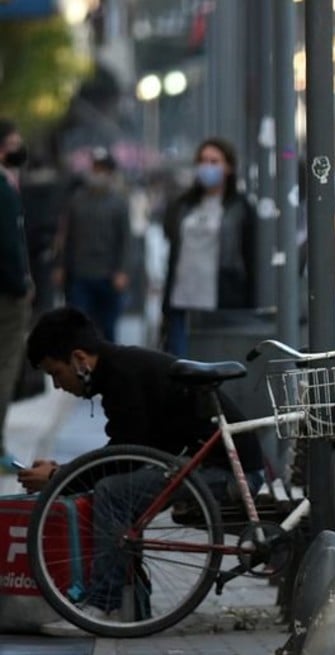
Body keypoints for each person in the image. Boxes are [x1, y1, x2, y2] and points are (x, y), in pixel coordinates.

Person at [19, 307, 264, 635]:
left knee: (113, 492)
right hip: (204, 465)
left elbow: (123, 459)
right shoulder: (121, 369)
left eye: (56, 373)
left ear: (79, 359)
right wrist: (63, 473)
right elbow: (126, 454)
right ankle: (132, 603)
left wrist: (57, 477)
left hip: (228, 474)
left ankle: (106, 605)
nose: (57, 385)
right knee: (120, 490)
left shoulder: (123, 375)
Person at [161, 138, 257, 356]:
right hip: (182, 301)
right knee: (182, 363)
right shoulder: (182, 205)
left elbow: (250, 257)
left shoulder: (240, 207)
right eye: (203, 161)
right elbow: (173, 249)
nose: (207, 167)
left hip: (222, 301)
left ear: (229, 167)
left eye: (214, 161)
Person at [56, 147, 132, 342]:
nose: (98, 173)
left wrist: (122, 270)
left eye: (102, 169)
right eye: (95, 168)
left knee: (108, 328)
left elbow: (125, 239)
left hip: (108, 275)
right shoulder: (76, 200)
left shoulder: (119, 203)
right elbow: (67, 236)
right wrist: (61, 266)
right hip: (80, 274)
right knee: (78, 328)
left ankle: (107, 361)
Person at [0, 118, 32, 468]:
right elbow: (9, 246)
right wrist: (22, 286)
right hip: (6, 296)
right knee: (5, 367)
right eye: (13, 143)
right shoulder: (4, 190)